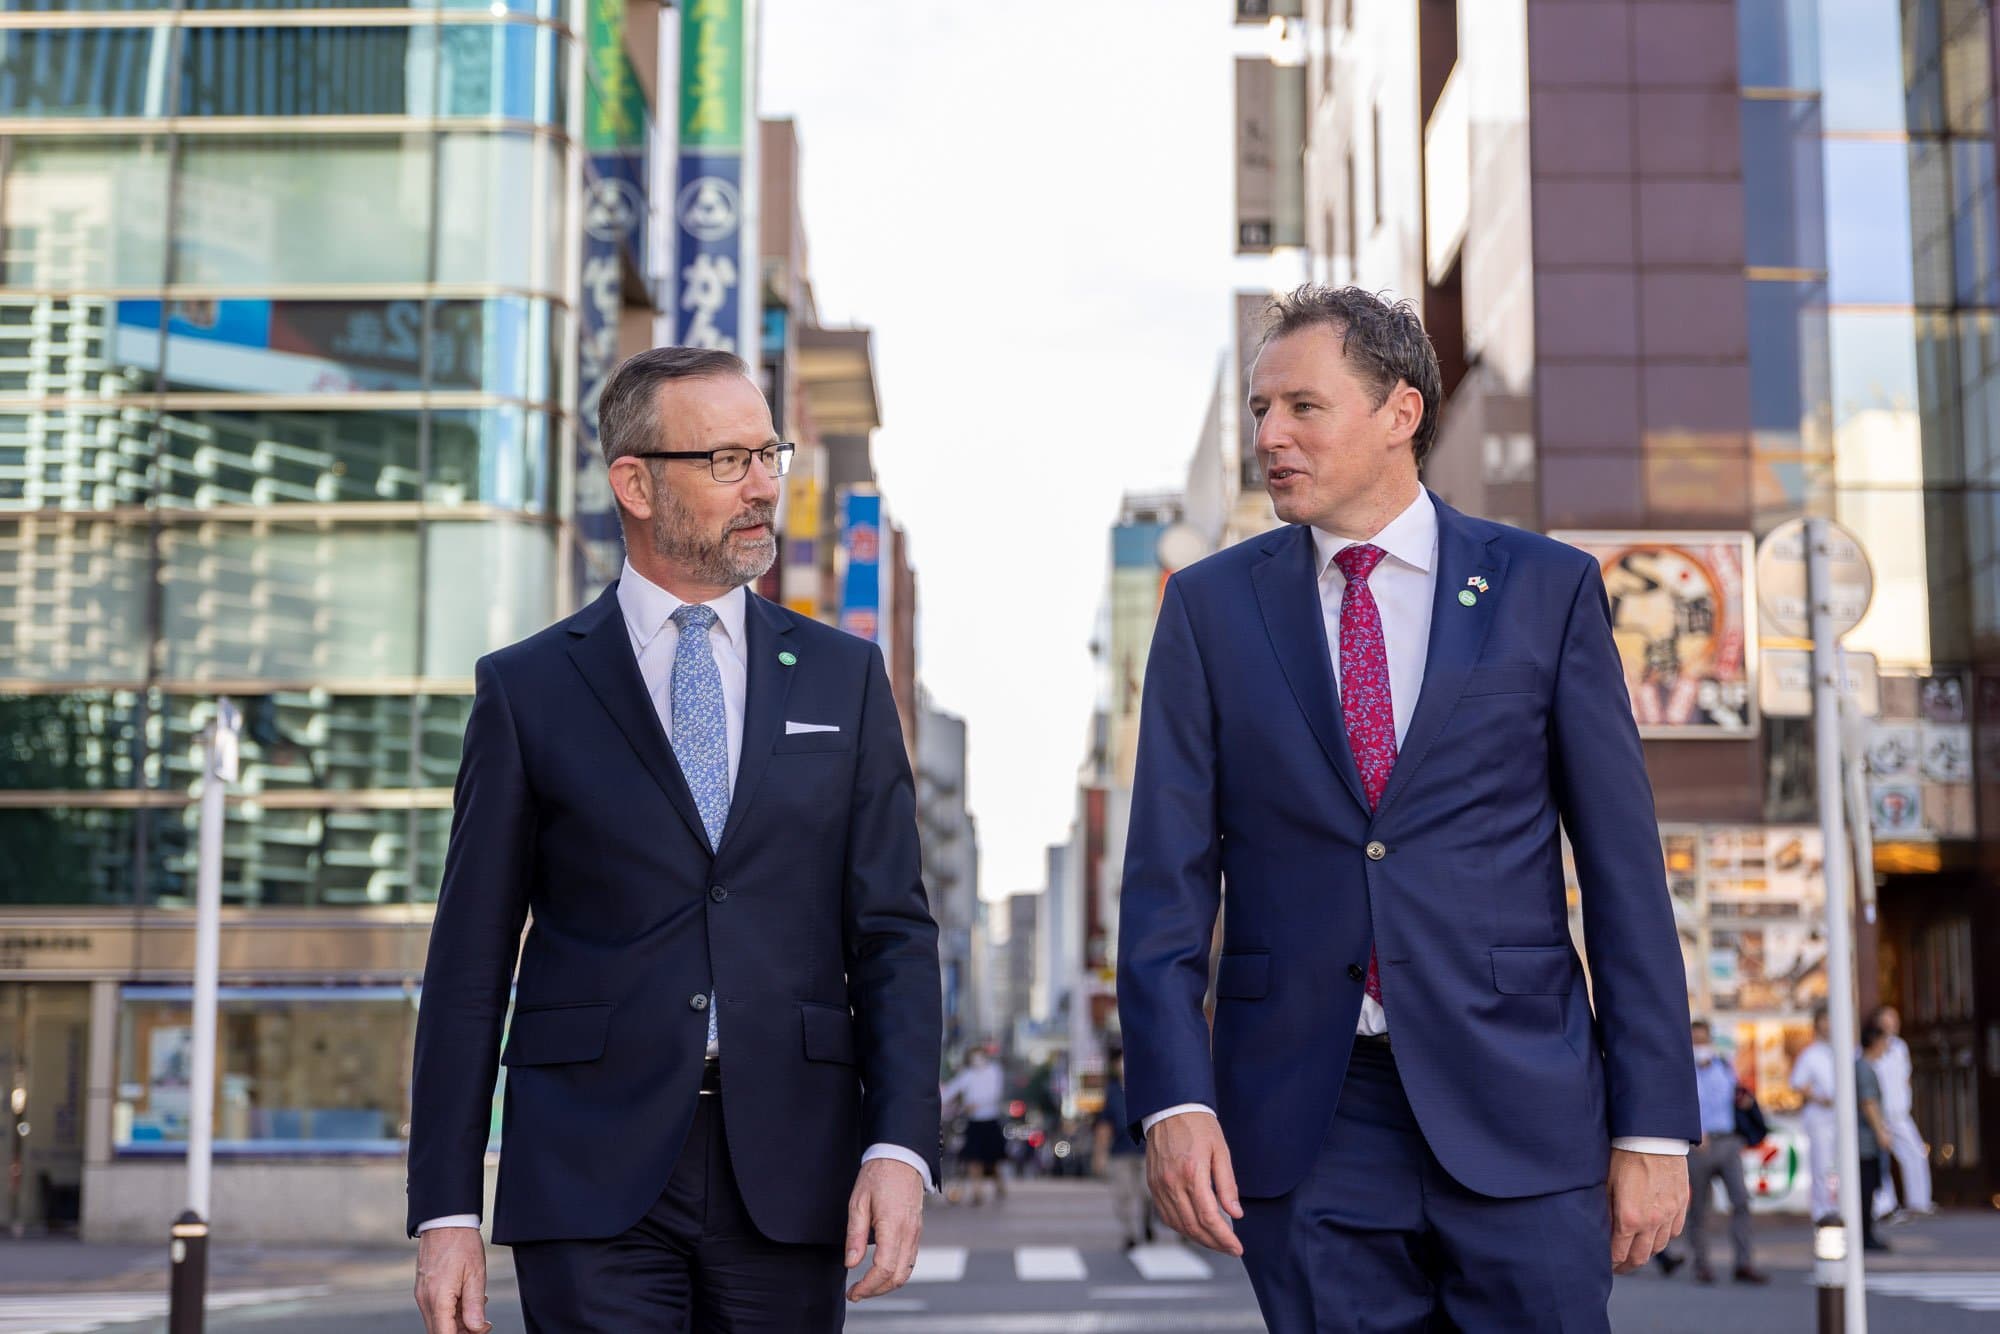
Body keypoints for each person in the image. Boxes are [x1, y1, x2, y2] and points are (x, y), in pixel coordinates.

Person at [1115, 285, 1698, 1334]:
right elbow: (1166, 880)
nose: (1269, 435)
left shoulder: (1544, 589)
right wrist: (1173, 1097)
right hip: (1308, 1115)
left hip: (1520, 1099)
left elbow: (1622, 872)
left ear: (1400, 412)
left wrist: (1652, 1124)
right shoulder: (1208, 609)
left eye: (1302, 406)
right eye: (1259, 411)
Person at [406, 347, 941, 1334]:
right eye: (728, 460)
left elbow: (893, 936)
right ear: (635, 483)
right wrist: (446, 1208)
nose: (763, 485)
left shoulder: (845, 678)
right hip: (586, 1168)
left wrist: (898, 1146)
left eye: (768, 454)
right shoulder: (528, 689)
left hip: (791, 1161)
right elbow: (470, 962)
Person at [1668, 1020, 1767, 1285]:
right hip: (1698, 1145)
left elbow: (1735, 1096)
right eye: (1695, 1040)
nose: (1700, 1045)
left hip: (1728, 1141)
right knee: (1700, 1208)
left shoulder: (1723, 1066)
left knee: (1741, 1201)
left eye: (1703, 1040)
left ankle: (1744, 1262)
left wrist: (1744, 1104)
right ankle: (1702, 1264)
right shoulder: (1681, 1071)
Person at [1869, 1004, 1934, 1220]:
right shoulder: (1868, 1048)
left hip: (1900, 1114)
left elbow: (1906, 1077)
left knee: (1915, 1152)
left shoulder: (1900, 1046)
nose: (1893, 1022)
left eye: (1895, 1018)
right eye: (1888, 1018)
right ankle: (1884, 1207)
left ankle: (1919, 1202)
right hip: (1879, 1114)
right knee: (1880, 1160)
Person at [1094, 1048, 1153, 1250]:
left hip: (1147, 1151)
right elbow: (1104, 1125)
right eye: (1120, 1061)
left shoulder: (1147, 1087)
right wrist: (1099, 1155)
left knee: (1149, 1192)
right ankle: (1130, 1234)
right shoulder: (1111, 1092)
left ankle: (1147, 1221)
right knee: (1122, 1194)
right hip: (1120, 1152)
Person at [1790, 1005, 1838, 1225]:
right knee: (1821, 1164)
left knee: (1839, 1163)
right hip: (1819, 1115)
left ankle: (1839, 1206)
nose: (1828, 1025)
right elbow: (1798, 1083)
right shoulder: (1810, 1054)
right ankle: (1821, 1210)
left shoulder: (1841, 1049)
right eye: (1824, 1021)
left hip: (1839, 1116)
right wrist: (1818, 1097)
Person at [942, 1048, 1007, 1206]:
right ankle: (977, 1192)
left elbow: (995, 1093)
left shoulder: (994, 1071)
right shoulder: (967, 1075)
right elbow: (951, 1090)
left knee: (992, 1161)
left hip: (990, 1120)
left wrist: (977, 1104)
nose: (976, 1060)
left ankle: (999, 1185)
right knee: (973, 1158)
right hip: (973, 1123)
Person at [1857, 1022, 1895, 1253]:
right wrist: (1880, 1130)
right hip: (1865, 1139)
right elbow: (1868, 1102)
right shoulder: (1864, 1068)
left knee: (1868, 1186)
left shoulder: (1863, 1066)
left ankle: (1866, 1233)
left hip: (1864, 1138)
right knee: (1866, 1187)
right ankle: (1865, 1234)